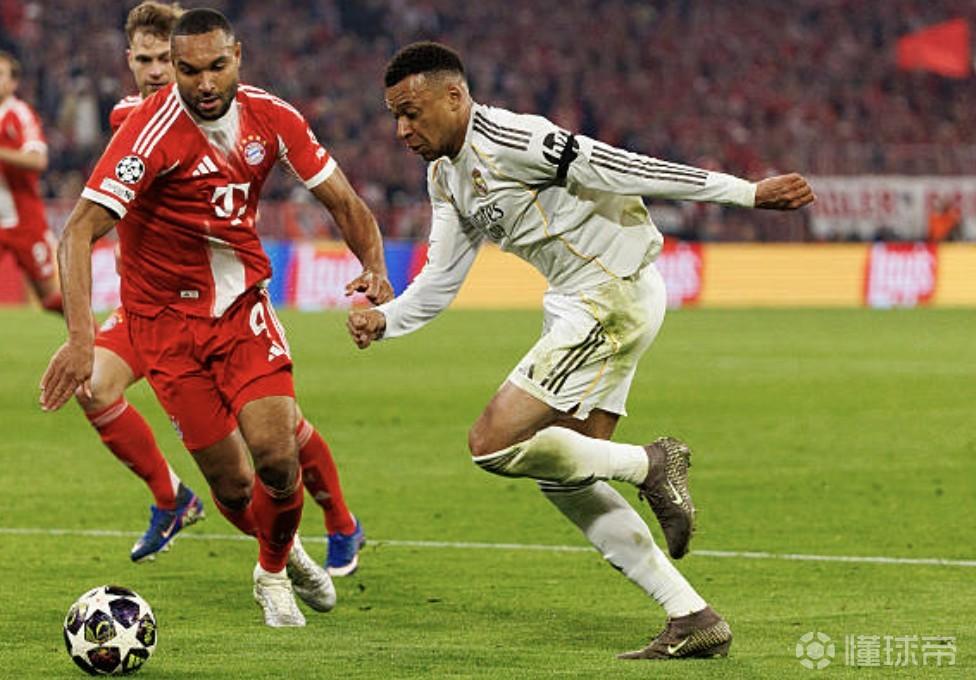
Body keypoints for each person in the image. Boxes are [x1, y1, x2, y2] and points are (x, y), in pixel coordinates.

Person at [348, 42, 815, 659]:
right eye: (394, 117)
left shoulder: (515, 138)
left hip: (609, 295)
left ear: (454, 96)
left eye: (411, 113)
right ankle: (692, 617)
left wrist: (745, 193)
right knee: (565, 473)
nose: (402, 131)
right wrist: (385, 319)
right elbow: (441, 277)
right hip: (582, 302)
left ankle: (652, 463)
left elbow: (621, 167)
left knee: (491, 443)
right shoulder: (444, 176)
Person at [40, 8, 391, 627]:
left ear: (239, 57)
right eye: (187, 70)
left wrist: (376, 267)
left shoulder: (272, 117)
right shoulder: (145, 130)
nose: (203, 83)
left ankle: (274, 569)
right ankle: (277, 545)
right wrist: (80, 338)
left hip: (239, 309)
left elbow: (342, 200)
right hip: (164, 328)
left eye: (216, 67)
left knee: (277, 451)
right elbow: (77, 233)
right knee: (232, 486)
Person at [0, 51, 61, 314]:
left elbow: (38, 160)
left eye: (0, 74)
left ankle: (92, 334)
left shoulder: (20, 114)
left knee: (49, 297)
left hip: (24, 221)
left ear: (13, 82)